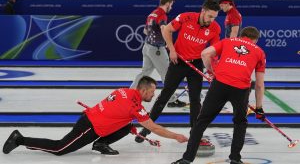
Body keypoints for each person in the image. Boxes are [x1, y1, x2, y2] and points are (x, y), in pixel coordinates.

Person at [2, 76, 188, 156]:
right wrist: (176, 136)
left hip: (92, 118)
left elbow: (114, 111)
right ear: (144, 90)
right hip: (89, 127)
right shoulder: (135, 107)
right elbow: (153, 127)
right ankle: (20, 139)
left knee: (127, 124)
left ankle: (101, 143)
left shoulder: (125, 91)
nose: (153, 95)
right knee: (60, 149)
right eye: (152, 92)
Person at [172, 26, 266, 164]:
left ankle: (187, 159)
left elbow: (205, 53)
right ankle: (235, 159)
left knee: (201, 121)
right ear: (255, 40)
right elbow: (259, 84)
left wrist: (211, 71)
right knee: (240, 123)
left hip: (220, 84)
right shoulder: (260, 52)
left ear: (241, 36)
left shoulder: (228, 41)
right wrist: (259, 108)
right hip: (240, 90)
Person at [135, 0, 221, 147]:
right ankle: (146, 129)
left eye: (214, 17)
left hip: (196, 64)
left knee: (195, 100)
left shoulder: (215, 28)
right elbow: (166, 30)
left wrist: (213, 71)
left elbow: (213, 52)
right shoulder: (185, 17)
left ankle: (195, 134)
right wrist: (172, 50)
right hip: (178, 62)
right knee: (165, 97)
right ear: (203, 11)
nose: (211, 20)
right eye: (210, 16)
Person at [130, 0, 187, 108]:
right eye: (171, 5)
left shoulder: (152, 13)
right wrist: (169, 45)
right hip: (157, 50)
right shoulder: (162, 14)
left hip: (147, 47)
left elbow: (145, 31)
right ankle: (171, 100)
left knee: (144, 73)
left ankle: (130, 94)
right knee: (167, 74)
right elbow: (163, 29)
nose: (171, 7)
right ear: (168, 3)